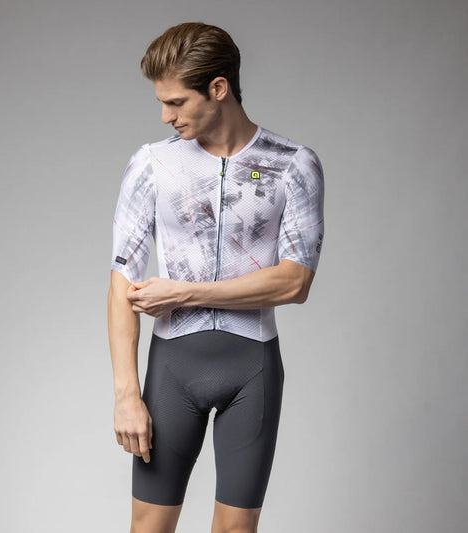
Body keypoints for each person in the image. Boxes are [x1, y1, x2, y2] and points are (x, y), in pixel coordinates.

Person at [107, 22, 324, 533]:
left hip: (253, 369)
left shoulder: (292, 166)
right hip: (172, 369)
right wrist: (126, 395)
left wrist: (186, 292)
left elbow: (294, 283)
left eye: (177, 102)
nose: (166, 116)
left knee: (235, 531)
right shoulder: (153, 164)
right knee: (148, 527)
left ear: (219, 88)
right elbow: (121, 282)